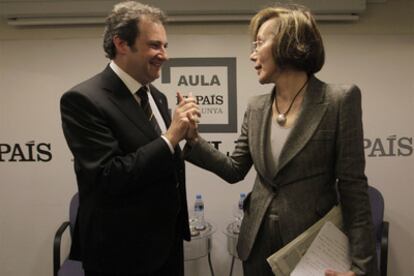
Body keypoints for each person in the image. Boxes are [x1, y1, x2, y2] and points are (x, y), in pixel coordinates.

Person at [184, 4, 378, 276]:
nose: (252, 55)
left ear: (290, 44)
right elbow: (234, 169)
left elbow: (353, 190)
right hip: (256, 246)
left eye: (259, 43)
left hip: (310, 248)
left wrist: (361, 268)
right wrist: (193, 139)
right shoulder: (256, 107)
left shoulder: (338, 101)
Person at [60, 1, 200, 275]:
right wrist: (171, 136)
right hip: (119, 251)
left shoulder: (155, 95)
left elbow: (161, 164)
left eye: (165, 46)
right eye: (155, 45)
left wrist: (187, 136)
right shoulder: (83, 100)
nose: (164, 55)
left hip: (166, 245)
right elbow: (109, 176)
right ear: (122, 44)